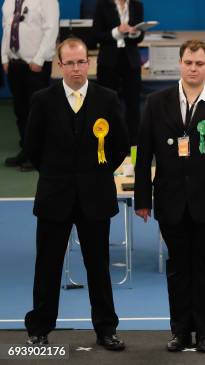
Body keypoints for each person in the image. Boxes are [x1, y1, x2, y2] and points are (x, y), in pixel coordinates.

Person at [135, 40, 205, 353]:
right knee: (178, 267)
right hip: (170, 201)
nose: (194, 68)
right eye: (189, 62)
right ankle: (180, 331)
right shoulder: (158, 102)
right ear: (180, 64)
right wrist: (143, 199)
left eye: (200, 63)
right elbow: (144, 154)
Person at [22, 37, 129, 350]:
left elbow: (121, 144)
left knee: (98, 266)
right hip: (54, 196)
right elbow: (32, 147)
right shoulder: (42, 99)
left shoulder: (107, 98)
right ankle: (39, 328)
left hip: (96, 195)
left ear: (89, 63)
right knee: (48, 266)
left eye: (81, 61)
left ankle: (106, 329)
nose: (76, 68)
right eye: (69, 63)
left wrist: (97, 171)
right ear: (59, 65)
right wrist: (57, 174)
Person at [1, 0, 58, 171]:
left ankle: (37, 155)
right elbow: (7, 28)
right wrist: (4, 57)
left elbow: (51, 30)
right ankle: (26, 151)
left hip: (35, 65)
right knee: (21, 111)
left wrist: (39, 59)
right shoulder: (9, 2)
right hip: (14, 63)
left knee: (37, 112)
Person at [93, 0, 145, 146]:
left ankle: (133, 142)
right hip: (108, 61)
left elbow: (140, 37)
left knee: (133, 104)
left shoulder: (137, 5)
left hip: (131, 61)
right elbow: (96, 35)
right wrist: (118, 31)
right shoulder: (102, 5)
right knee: (106, 103)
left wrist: (135, 33)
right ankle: (108, 141)